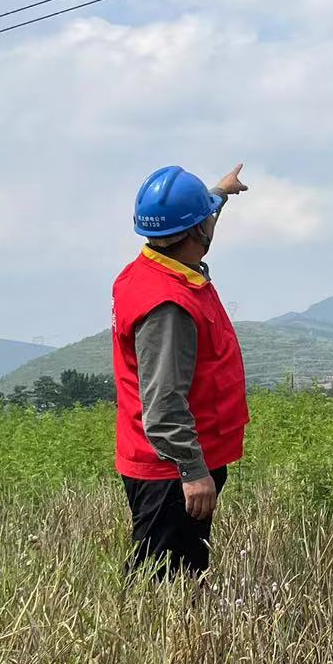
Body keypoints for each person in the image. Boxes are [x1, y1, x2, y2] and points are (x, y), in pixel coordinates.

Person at [111, 163, 251, 579]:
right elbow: (164, 400)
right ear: (195, 234)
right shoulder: (168, 306)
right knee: (162, 583)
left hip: (172, 460)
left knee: (179, 576)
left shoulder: (151, 268)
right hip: (173, 470)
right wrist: (192, 471)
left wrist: (220, 193)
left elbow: (188, 226)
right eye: (207, 217)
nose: (212, 221)